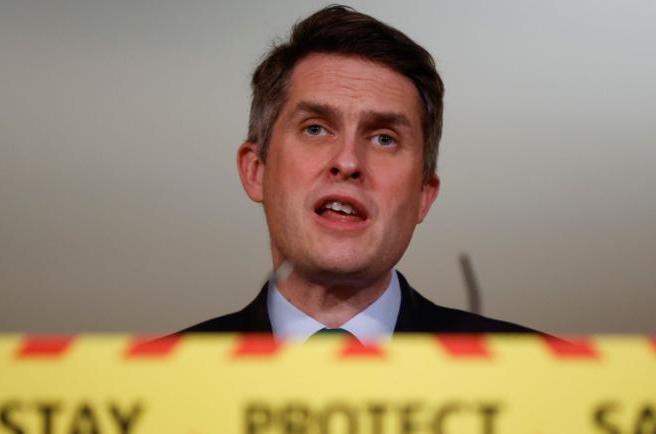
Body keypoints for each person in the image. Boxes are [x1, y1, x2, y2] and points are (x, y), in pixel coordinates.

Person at [183, 5, 544, 341]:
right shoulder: (163, 380)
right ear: (255, 170)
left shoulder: (535, 375)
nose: (348, 162)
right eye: (315, 129)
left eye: (384, 138)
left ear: (423, 195)